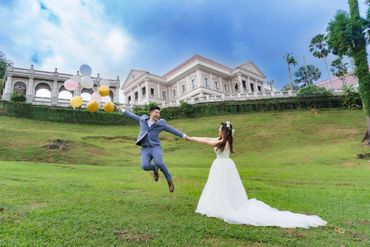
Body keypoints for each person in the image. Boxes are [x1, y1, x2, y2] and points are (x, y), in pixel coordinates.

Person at [186, 121, 327, 228]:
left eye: (219, 128)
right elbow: (206, 137)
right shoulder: (225, 140)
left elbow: (205, 141)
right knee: (223, 187)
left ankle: (221, 206)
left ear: (223, 131)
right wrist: (191, 137)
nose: (217, 130)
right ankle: (224, 203)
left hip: (221, 166)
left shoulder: (221, 142)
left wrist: (190, 139)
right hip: (226, 166)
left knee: (220, 186)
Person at [118, 105, 187, 193]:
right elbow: (132, 115)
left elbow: (172, 130)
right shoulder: (142, 120)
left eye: (159, 113)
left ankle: (169, 180)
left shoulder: (160, 124)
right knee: (144, 166)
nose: (158, 114)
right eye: (156, 112)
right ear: (151, 113)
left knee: (159, 162)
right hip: (145, 149)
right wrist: (122, 110)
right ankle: (155, 169)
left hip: (155, 147)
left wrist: (184, 135)